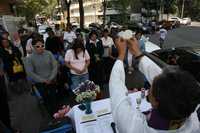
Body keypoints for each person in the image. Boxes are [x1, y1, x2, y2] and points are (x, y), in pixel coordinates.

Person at [109, 37, 200, 133]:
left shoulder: (133, 127)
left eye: (151, 87)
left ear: (156, 102)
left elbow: (117, 89)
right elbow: (166, 80)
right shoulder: (191, 116)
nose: (148, 90)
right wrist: (138, 54)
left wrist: (121, 55)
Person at [25, 37, 58, 115]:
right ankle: (52, 116)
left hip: (51, 80)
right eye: (38, 46)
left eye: (42, 45)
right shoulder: (30, 58)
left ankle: (58, 114)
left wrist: (51, 78)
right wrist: (43, 80)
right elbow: (30, 72)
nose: (40, 48)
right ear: (33, 47)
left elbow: (55, 65)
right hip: (40, 83)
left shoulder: (49, 53)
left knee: (54, 98)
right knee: (46, 100)